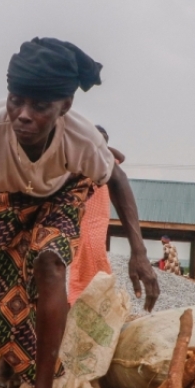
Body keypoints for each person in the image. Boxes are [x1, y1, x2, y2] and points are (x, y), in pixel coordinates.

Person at [0, 37, 159, 388]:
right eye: (16, 100)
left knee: (49, 265)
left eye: (40, 106)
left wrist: (139, 252)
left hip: (64, 192)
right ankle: (8, 367)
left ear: (64, 106)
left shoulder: (82, 137)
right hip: (6, 195)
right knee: (5, 294)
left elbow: (116, 179)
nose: (23, 115)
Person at [67, 125, 125, 305]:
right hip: (83, 214)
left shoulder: (108, 160)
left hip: (100, 216)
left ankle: (100, 292)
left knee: (97, 251)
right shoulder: (81, 159)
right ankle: (78, 296)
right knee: (83, 253)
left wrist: (104, 146)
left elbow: (121, 157)